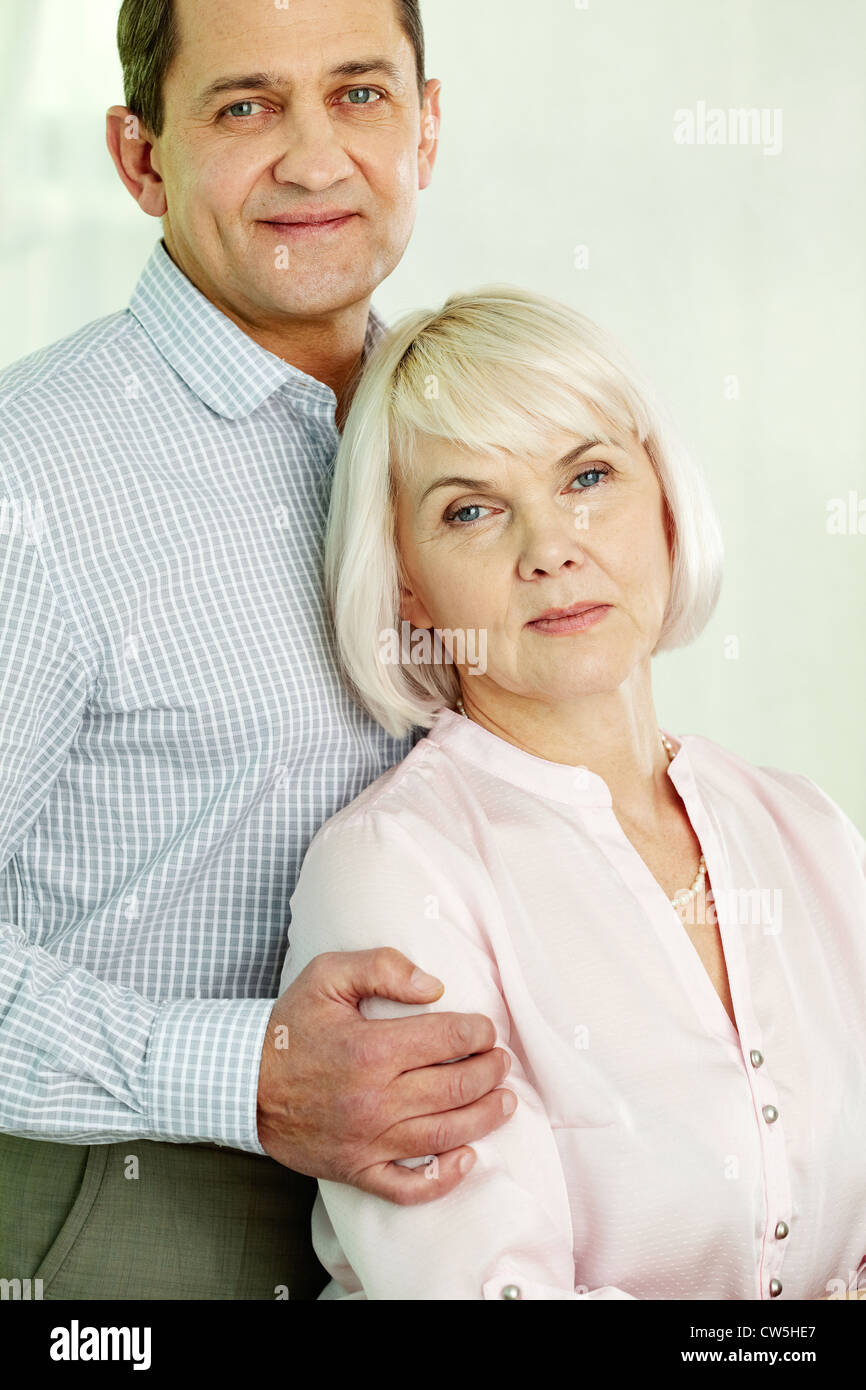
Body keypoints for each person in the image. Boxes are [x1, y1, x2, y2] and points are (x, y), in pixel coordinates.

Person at [0, 0, 515, 1301]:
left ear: (426, 125)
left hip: (473, 1214)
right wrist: (248, 1074)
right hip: (113, 1218)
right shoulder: (33, 474)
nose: (310, 159)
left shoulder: (485, 444)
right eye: (243, 107)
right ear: (139, 157)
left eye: (357, 95)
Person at [281, 285, 866, 1300]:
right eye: (471, 509)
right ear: (407, 583)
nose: (548, 547)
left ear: (665, 500)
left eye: (587, 476)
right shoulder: (392, 868)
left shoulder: (803, 826)